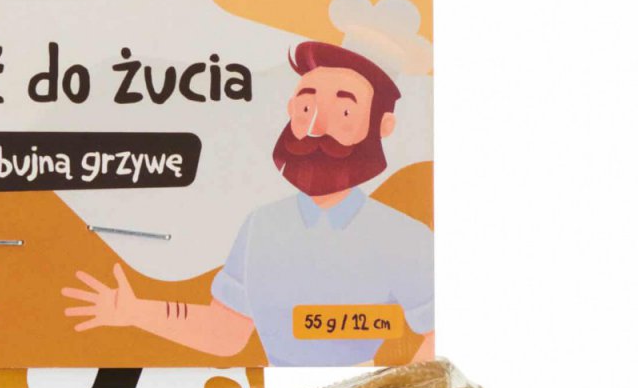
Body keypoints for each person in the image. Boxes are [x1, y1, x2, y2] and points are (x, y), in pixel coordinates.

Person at [62, 40, 434, 365]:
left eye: (344, 112)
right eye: (306, 109)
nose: (316, 128)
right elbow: (226, 332)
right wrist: (134, 312)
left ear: (383, 126)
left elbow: (439, 335)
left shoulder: (404, 237)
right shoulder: (263, 225)